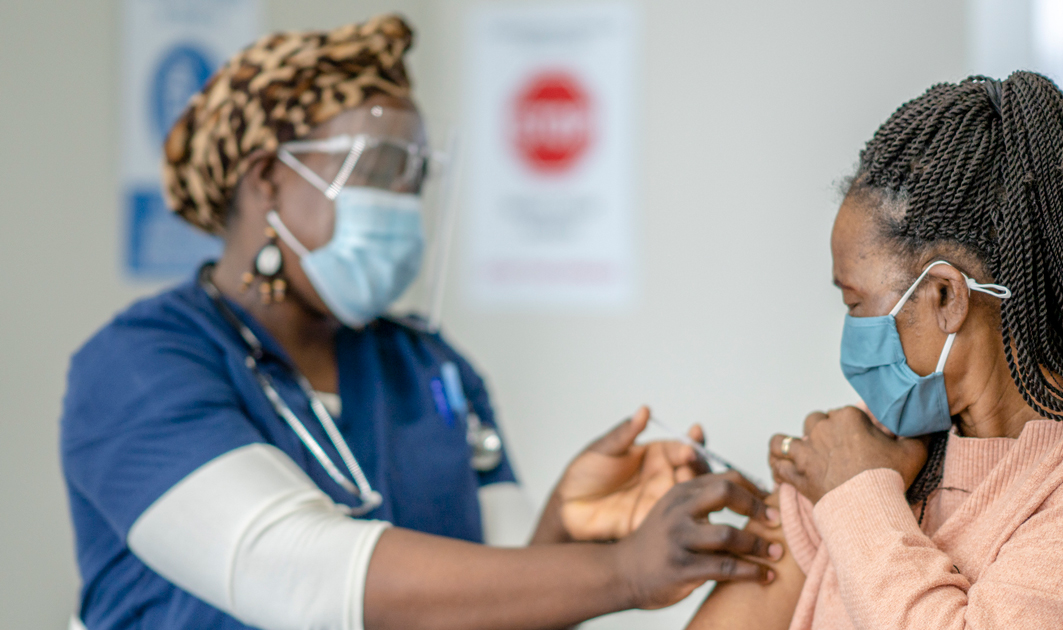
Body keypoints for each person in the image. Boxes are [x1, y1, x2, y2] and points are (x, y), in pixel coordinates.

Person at [60, 15, 781, 630]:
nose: (401, 201)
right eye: (376, 169)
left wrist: (565, 521)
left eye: (414, 176)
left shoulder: (430, 367)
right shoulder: (137, 368)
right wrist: (619, 572)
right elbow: (296, 573)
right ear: (267, 180)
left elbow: (493, 598)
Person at [687, 72, 1063, 629]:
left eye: (856, 303)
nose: (850, 330)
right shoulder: (885, 442)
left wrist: (857, 494)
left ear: (946, 296)